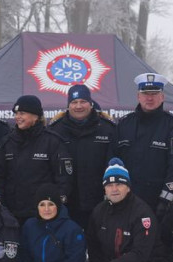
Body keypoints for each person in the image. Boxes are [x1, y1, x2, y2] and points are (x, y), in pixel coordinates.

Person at [86, 159, 163, 262]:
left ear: (128, 187)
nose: (114, 189)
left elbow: (140, 255)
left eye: (119, 184)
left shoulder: (142, 213)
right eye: (109, 185)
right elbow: (94, 246)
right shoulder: (99, 211)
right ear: (104, 188)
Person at [115, 73, 173, 215]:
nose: (149, 98)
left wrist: (166, 197)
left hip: (158, 201)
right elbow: (113, 160)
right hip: (126, 198)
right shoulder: (124, 124)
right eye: (145, 93)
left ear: (162, 97)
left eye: (154, 94)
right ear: (138, 96)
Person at [48, 84, 119, 227]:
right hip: (66, 202)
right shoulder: (55, 130)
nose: (78, 106)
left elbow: (113, 164)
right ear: (68, 105)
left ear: (91, 104)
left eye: (83, 101)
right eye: (74, 102)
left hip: (99, 201)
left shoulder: (107, 129)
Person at [0, 95, 72, 222]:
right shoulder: (8, 142)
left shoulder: (52, 141)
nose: (17, 117)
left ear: (36, 116)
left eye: (22, 113)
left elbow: (63, 179)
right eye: (16, 113)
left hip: (43, 215)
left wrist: (55, 206)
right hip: (12, 214)